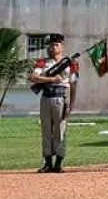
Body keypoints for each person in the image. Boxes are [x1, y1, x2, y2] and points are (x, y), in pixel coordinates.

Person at [29, 33, 79, 173]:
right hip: (46, 97)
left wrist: (72, 103)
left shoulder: (71, 63)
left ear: (62, 47)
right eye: (51, 45)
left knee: (60, 130)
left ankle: (58, 162)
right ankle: (47, 162)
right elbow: (33, 77)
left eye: (56, 45)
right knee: (46, 130)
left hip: (61, 97)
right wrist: (51, 80)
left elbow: (73, 84)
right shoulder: (43, 62)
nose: (53, 47)